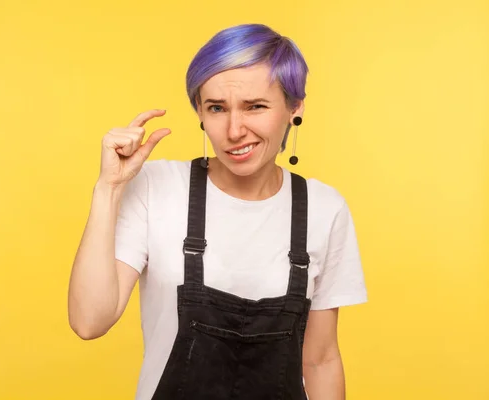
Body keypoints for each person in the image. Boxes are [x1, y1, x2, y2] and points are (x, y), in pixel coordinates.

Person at [68, 23, 367, 400]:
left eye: (255, 106)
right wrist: (108, 188)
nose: (234, 129)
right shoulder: (157, 187)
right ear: (200, 112)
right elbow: (89, 321)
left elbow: (320, 360)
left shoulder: (324, 210)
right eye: (216, 108)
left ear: (294, 108)